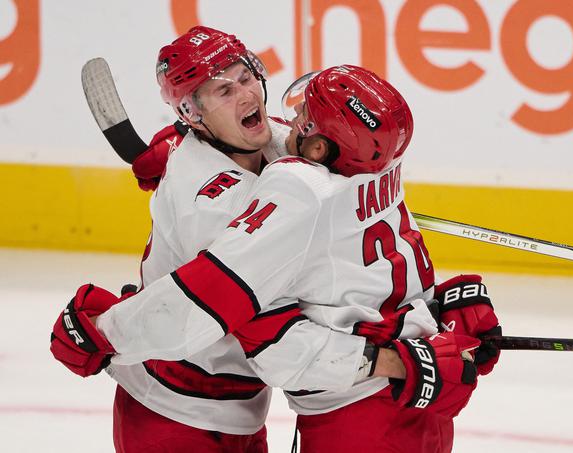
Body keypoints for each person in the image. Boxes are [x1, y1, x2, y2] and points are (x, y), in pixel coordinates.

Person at [51, 45, 501, 452]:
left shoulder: (291, 158)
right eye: (223, 91)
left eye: (245, 78)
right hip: (173, 414)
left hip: (248, 408)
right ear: (194, 113)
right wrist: (106, 331)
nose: (246, 96)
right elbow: (212, 317)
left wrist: (432, 307)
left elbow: (294, 154)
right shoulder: (233, 204)